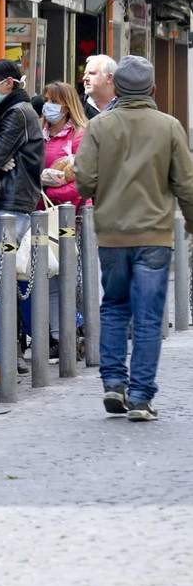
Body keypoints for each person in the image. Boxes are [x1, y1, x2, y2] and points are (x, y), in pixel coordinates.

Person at [75, 56, 193, 421]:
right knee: (148, 316)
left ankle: (113, 382)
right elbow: (185, 183)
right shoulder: (169, 126)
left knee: (114, 306)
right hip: (155, 233)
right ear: (153, 89)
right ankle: (141, 397)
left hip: (111, 233)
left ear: (118, 87)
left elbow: (84, 181)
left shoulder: (99, 125)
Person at [0, 59, 44, 385]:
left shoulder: (16, 114)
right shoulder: (12, 111)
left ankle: (2, 360)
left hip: (11, 204)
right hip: (8, 202)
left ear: (9, 83)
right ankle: (6, 359)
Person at [37, 81, 88, 361]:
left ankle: (81, 332)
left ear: (67, 105)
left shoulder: (79, 135)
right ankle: (58, 336)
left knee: (73, 279)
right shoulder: (38, 133)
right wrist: (43, 185)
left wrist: (47, 190)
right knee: (50, 279)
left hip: (73, 218)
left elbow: (81, 183)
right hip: (42, 216)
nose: (48, 105)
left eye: (53, 100)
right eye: (46, 99)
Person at [81, 54, 117, 118]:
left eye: (92, 73)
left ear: (109, 78)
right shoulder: (75, 107)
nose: (84, 78)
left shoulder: (128, 106)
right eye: (85, 73)